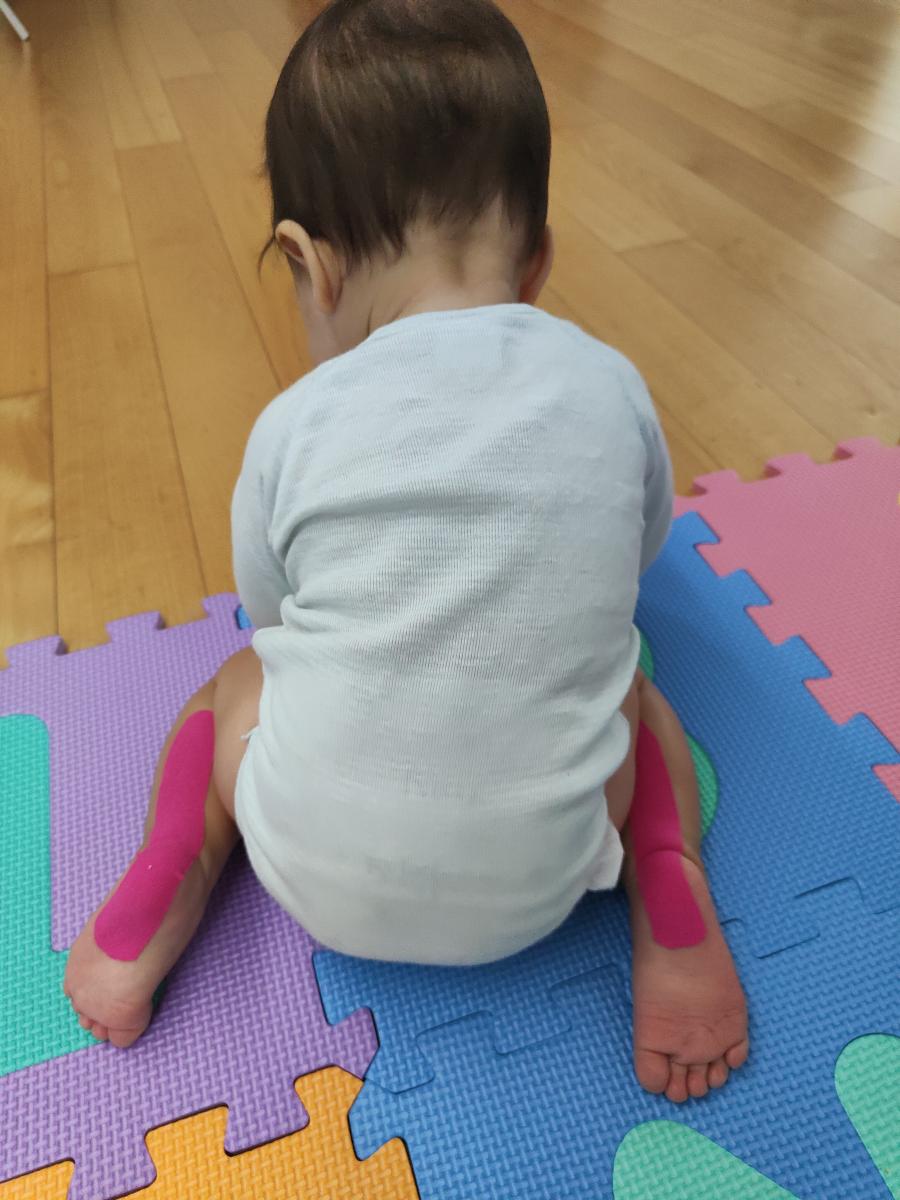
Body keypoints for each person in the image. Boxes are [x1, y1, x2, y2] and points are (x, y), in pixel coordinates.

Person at [64, 0, 748, 1104]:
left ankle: (170, 868)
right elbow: (630, 560)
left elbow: (272, 617)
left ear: (309, 263)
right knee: (637, 695)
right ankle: (669, 895)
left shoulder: (293, 425)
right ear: (539, 260)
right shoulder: (611, 385)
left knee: (232, 684)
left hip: (317, 878)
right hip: (548, 879)